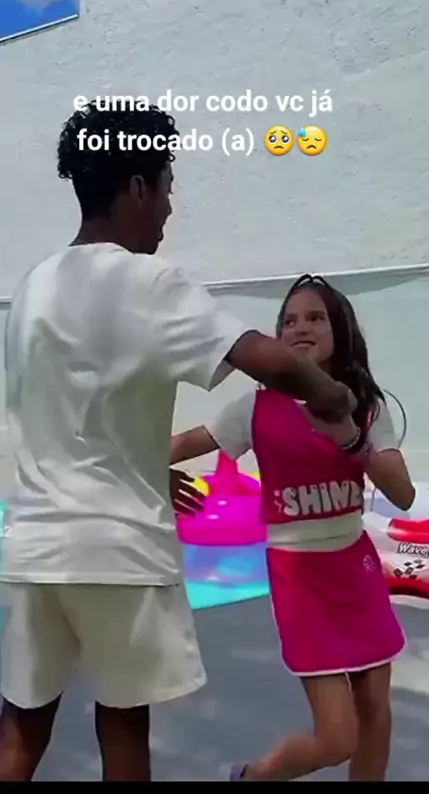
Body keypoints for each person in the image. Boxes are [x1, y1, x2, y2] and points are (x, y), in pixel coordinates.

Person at [0, 103, 356, 782]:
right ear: (137, 187)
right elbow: (267, 360)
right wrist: (335, 398)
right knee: (123, 726)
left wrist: (140, 465)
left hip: (34, 550)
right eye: (166, 186)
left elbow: (57, 416)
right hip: (120, 554)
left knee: (21, 725)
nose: (169, 208)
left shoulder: (32, 289)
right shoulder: (150, 283)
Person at [171, 274, 416, 782]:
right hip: (299, 578)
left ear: (339, 330)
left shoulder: (367, 407)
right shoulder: (255, 407)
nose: (300, 327)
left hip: (356, 568)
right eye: (289, 320)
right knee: (337, 739)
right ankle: (250, 778)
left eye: (315, 318)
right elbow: (183, 444)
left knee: (375, 714)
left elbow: (404, 494)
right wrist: (135, 463)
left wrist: (350, 438)